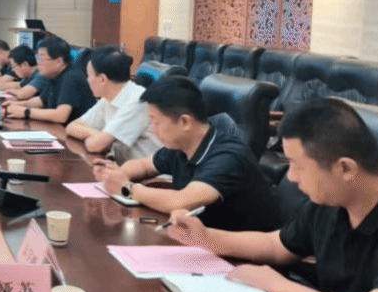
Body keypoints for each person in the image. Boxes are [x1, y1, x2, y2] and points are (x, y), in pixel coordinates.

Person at [167, 99, 378, 292]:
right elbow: (276, 245)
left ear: (345, 169)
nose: (291, 177)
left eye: (297, 165)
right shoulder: (331, 203)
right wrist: (207, 238)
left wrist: (277, 285)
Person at [94, 76, 281, 231]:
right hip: (204, 242)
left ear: (185, 122)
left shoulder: (228, 156)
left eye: (156, 122)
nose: (153, 129)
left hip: (244, 256)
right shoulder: (181, 146)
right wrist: (116, 175)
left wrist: (128, 188)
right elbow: (143, 166)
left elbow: (181, 201)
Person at [65, 46, 161, 162]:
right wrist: (96, 133)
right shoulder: (108, 98)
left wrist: (98, 138)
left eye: (89, 76)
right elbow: (72, 127)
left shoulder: (137, 100)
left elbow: (95, 145)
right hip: (120, 165)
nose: (88, 80)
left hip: (147, 172)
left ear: (103, 79)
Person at [3, 37, 95, 124]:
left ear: (59, 61)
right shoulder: (53, 75)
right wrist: (17, 105)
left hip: (73, 132)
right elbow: (41, 101)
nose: (38, 64)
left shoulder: (71, 77)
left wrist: (26, 112)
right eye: (37, 58)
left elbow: (61, 115)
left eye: (41, 59)